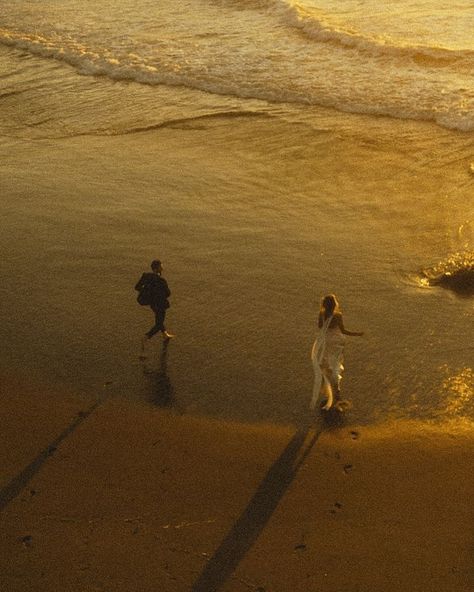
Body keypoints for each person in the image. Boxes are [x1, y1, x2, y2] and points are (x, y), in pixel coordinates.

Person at [310, 294, 363, 411]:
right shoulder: (338, 315)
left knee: (326, 362)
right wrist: (357, 334)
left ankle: (328, 380)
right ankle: (336, 386)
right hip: (337, 341)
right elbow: (344, 330)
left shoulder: (321, 314)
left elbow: (320, 327)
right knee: (336, 362)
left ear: (324, 305)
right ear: (335, 305)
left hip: (326, 340)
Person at [135, 259, 174, 352]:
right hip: (160, 304)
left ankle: (165, 334)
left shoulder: (146, 276)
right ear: (157, 268)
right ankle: (146, 337)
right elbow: (168, 293)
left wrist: (147, 292)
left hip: (152, 303)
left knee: (159, 318)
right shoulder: (161, 281)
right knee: (159, 323)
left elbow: (137, 287)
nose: (162, 268)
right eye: (161, 266)